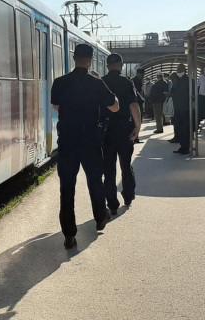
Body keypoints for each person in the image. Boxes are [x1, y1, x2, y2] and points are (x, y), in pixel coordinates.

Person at [51, 43, 119, 249]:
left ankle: (69, 235)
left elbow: (56, 107)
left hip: (68, 142)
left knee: (67, 188)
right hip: (90, 141)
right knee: (95, 181)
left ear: (74, 58)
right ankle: (100, 217)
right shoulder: (96, 83)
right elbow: (115, 107)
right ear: (90, 60)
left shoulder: (60, 82)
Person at [102, 53, 141, 213]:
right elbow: (133, 106)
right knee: (126, 164)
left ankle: (112, 204)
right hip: (124, 129)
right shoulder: (127, 82)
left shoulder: (101, 82)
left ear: (107, 65)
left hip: (106, 131)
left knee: (109, 168)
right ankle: (128, 195)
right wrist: (137, 127)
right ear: (121, 65)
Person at [170, 63, 191, 154]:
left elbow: (191, 94)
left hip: (185, 108)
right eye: (177, 69)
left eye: (180, 69)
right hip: (177, 108)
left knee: (185, 128)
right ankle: (182, 146)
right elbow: (173, 91)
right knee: (179, 127)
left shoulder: (188, 80)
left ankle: (185, 147)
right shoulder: (176, 80)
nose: (178, 71)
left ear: (184, 70)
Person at [132, 68, 146, 141]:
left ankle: (136, 136)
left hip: (139, 102)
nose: (143, 76)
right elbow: (137, 92)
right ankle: (135, 137)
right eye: (142, 74)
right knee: (137, 119)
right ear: (138, 74)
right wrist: (141, 98)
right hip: (136, 103)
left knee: (139, 119)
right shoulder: (134, 81)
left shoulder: (139, 80)